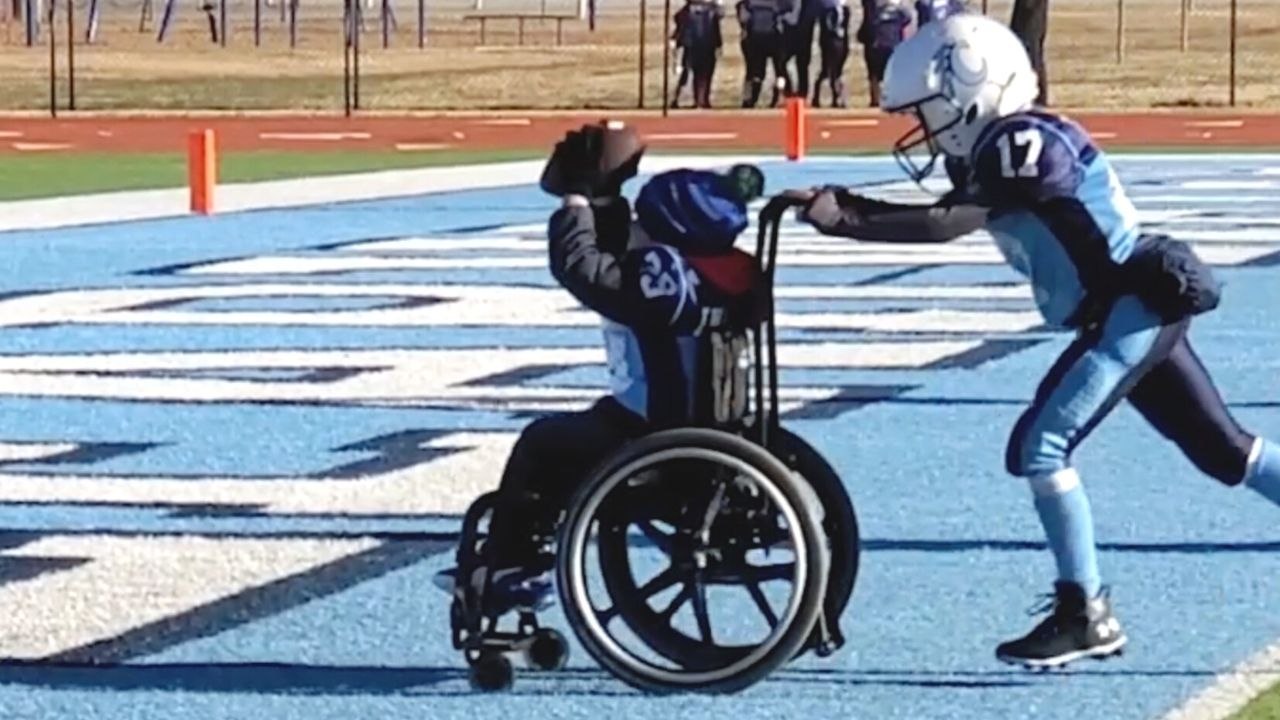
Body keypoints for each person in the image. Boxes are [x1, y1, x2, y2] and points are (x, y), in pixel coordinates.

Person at [794, 13, 1280, 669]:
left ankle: (1085, 612)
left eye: (931, 109)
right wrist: (844, 201)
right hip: (1129, 308)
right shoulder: (1013, 138)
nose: (926, 128)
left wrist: (846, 218)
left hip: (1131, 306)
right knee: (1225, 451)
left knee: (1041, 446)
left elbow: (944, 224)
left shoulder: (1020, 140)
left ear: (971, 84)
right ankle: (1084, 609)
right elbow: (949, 208)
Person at [434, 122, 766, 612]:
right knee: (583, 428)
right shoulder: (726, 273)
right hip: (714, 427)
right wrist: (607, 199)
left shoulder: (661, 282)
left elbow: (585, 270)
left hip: (653, 434)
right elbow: (625, 261)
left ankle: (514, 565)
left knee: (542, 443)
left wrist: (575, 203)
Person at [855, 0, 910, 108]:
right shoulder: (871, 8)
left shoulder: (898, 8)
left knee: (890, 72)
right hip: (877, 41)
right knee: (875, 72)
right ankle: (876, 99)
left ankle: (891, 98)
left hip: (891, 40)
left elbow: (907, 18)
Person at [737, 0, 791, 107]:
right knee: (757, 71)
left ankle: (779, 95)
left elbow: (790, 11)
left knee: (779, 70)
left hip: (774, 35)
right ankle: (751, 97)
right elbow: (742, 11)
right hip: (758, 36)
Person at [671, 0, 724, 109]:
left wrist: (677, 40)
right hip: (705, 44)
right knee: (702, 74)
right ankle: (701, 100)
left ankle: (698, 100)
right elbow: (717, 25)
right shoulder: (711, 10)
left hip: (693, 44)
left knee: (691, 73)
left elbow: (679, 23)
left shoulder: (687, 10)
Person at [811, 0, 850, 107]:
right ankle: (828, 97)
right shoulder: (828, 9)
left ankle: (837, 97)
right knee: (828, 70)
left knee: (836, 71)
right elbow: (829, 27)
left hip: (839, 41)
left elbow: (845, 28)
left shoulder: (843, 9)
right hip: (831, 41)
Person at [1009, 0, 1049, 105]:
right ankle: (1038, 96)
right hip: (1027, 18)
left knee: (1031, 56)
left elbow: (1028, 5)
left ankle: (1037, 96)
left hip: (1030, 20)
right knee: (1032, 55)